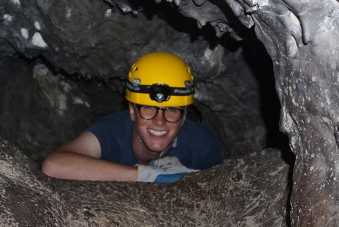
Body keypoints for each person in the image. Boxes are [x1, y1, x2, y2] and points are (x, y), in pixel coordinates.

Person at [41, 52, 223, 182]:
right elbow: (53, 166)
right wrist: (147, 175)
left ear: (183, 117)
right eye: (149, 108)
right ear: (132, 112)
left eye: (171, 110)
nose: (159, 121)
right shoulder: (113, 131)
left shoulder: (203, 146)